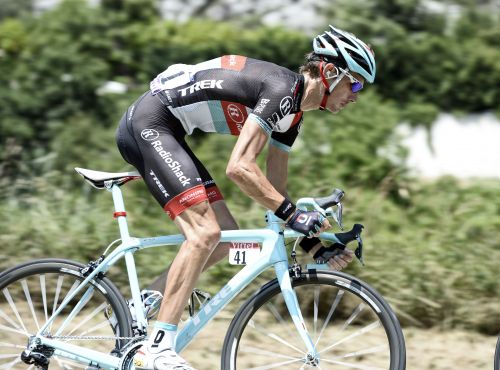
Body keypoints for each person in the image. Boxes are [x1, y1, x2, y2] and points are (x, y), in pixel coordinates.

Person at [114, 24, 376, 370]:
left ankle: (141, 304)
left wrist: (312, 243)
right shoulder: (283, 91)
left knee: (222, 235)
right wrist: (294, 214)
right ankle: (157, 346)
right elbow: (239, 167)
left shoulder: (293, 116)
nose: (356, 95)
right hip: (150, 122)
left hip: (169, 129)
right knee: (204, 233)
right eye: (354, 83)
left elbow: (277, 190)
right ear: (329, 72)